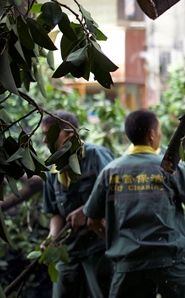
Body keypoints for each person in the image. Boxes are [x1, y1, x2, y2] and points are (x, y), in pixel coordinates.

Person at [83, 109, 185, 298]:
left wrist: (119, 243)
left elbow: (92, 221)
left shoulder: (110, 171)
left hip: (128, 266)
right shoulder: (170, 167)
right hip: (170, 262)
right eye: (160, 132)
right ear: (152, 135)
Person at [41, 111, 115, 298]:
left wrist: (87, 211)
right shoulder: (53, 171)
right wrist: (53, 238)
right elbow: (55, 213)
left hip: (101, 247)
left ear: (69, 134)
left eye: (49, 134)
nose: (45, 141)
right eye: (42, 135)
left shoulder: (95, 155)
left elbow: (116, 192)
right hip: (70, 251)